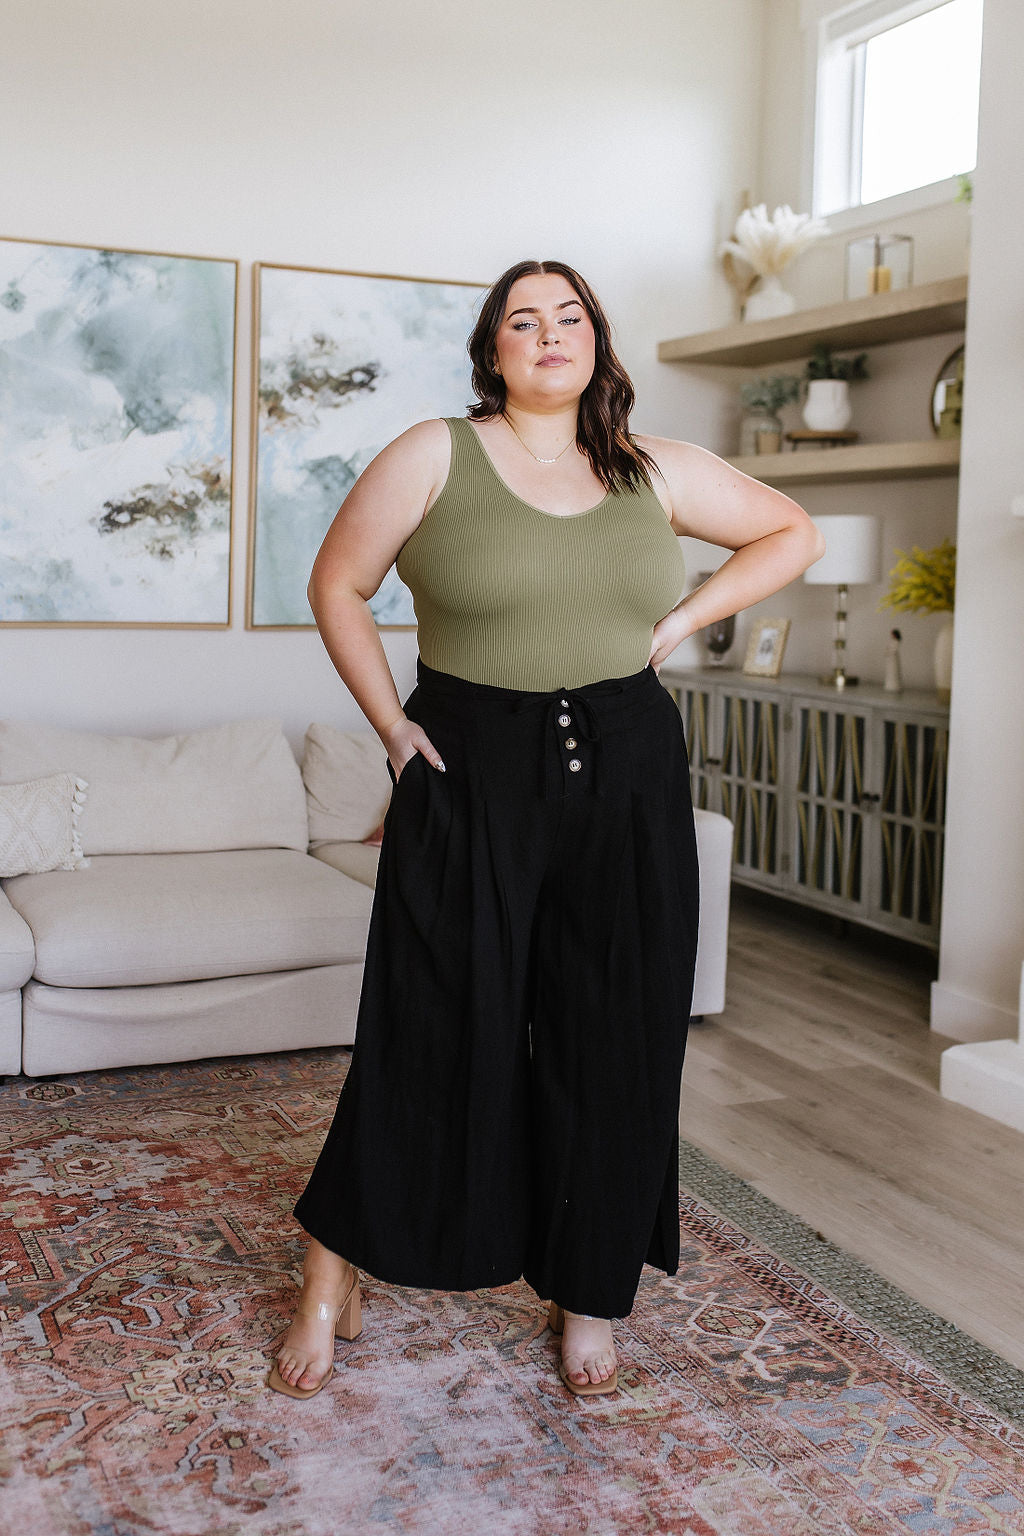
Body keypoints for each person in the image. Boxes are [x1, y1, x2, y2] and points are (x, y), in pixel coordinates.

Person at [269, 258, 824, 1400]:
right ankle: (332, 1265)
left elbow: (790, 533)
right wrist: (391, 727)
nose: (549, 333)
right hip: (470, 765)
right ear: (494, 351)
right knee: (431, 1023)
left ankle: (587, 1289)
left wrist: (681, 621)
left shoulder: (652, 467)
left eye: (569, 316)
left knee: (614, 1031)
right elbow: (336, 585)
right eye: (523, 320)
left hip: (627, 764)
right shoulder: (435, 453)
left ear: (596, 341)